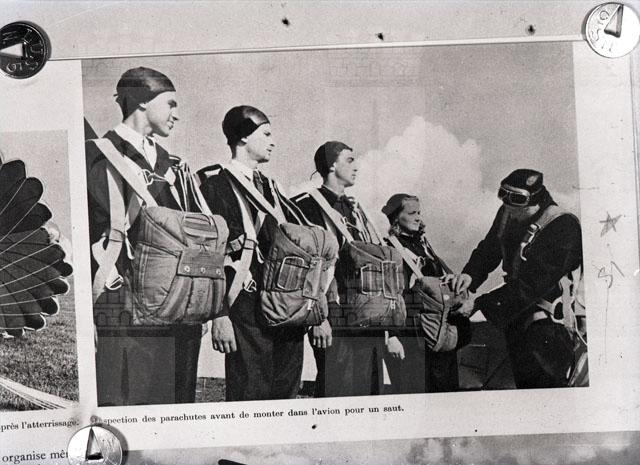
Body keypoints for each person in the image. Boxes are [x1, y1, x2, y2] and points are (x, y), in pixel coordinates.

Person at [86, 66, 203, 405]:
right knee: (127, 404)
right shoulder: (97, 154)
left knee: (177, 408)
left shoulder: (175, 166)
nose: (176, 114)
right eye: (170, 104)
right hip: (125, 307)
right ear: (141, 102)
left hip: (178, 306)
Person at [199, 105, 308, 401]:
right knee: (249, 396)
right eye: (266, 134)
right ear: (244, 137)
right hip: (243, 305)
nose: (273, 142)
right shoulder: (213, 185)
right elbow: (207, 254)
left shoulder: (273, 189)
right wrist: (219, 314)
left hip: (284, 304)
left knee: (286, 395)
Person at [449, 169, 583, 389]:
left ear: (535, 200)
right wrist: (470, 275)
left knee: (544, 388)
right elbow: (491, 248)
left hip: (548, 325)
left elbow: (532, 285)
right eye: (503, 195)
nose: (508, 206)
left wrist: (480, 304)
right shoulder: (509, 212)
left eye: (517, 199)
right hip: (516, 314)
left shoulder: (563, 227)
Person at [293, 141, 391, 397]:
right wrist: (317, 318)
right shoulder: (306, 206)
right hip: (332, 312)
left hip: (366, 312)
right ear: (331, 165)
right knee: (337, 390)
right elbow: (305, 266)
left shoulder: (357, 211)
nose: (356, 166)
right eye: (349, 160)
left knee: (370, 392)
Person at [381, 194, 471, 393]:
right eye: (412, 213)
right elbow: (390, 295)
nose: (418, 218)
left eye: (419, 213)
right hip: (413, 337)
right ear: (396, 218)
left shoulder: (424, 247)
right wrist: (392, 335)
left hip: (438, 333)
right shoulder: (391, 250)